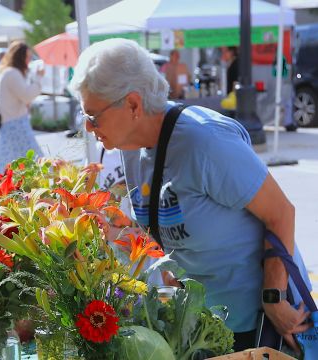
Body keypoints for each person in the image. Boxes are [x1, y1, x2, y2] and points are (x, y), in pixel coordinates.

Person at [70, 38, 310, 352]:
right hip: (205, 323)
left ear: (132, 105)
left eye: (93, 117)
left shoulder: (205, 141)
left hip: (263, 321)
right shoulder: (131, 145)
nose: (88, 128)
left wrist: (274, 299)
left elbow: (281, 213)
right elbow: (162, 225)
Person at [0, 41, 44, 173]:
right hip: (16, 124)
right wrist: (38, 79)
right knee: (37, 166)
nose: (29, 61)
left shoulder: (5, 72)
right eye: (27, 57)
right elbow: (27, 95)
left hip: (9, 124)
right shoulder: (12, 73)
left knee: (9, 168)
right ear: (20, 58)